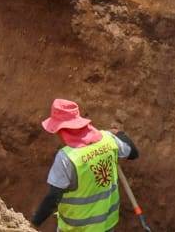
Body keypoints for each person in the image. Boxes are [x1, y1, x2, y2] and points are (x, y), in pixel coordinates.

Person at [30, 99, 139, 231]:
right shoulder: (108, 140)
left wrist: (34, 223)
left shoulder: (66, 158)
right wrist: (118, 134)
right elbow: (133, 153)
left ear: (61, 129)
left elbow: (53, 197)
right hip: (106, 225)